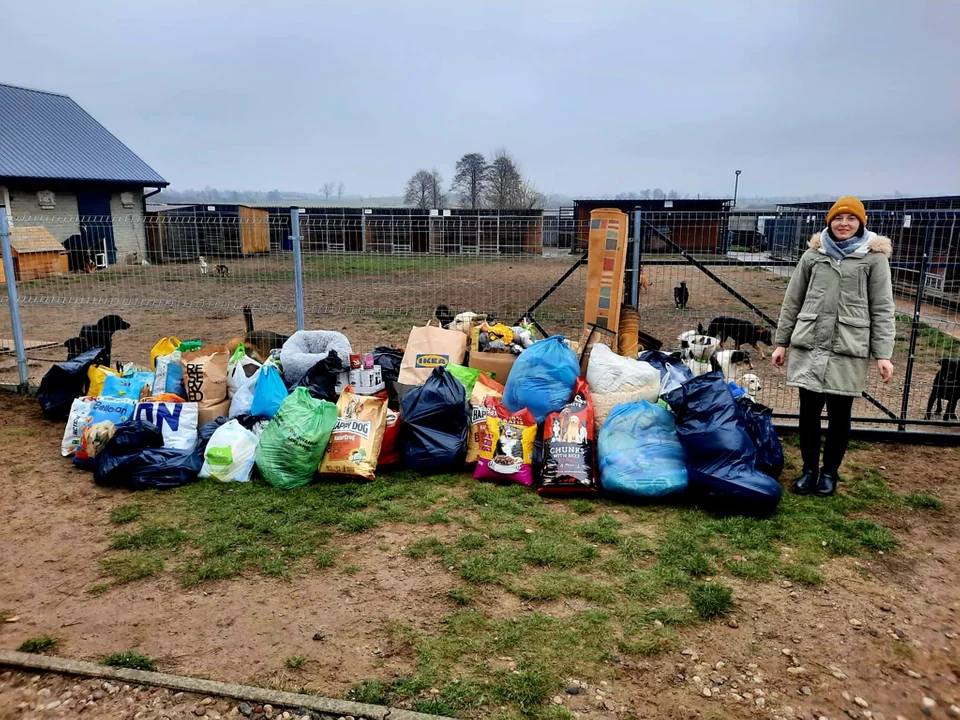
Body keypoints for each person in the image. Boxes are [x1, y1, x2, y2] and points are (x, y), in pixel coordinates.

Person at [771, 196, 895, 497]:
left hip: (848, 347)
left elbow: (882, 306)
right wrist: (781, 342)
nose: (844, 224)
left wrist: (883, 354)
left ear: (860, 223)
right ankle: (809, 470)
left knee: (840, 415)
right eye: (838, 218)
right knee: (809, 413)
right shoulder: (813, 256)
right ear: (830, 222)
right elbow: (793, 300)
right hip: (810, 343)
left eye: (851, 219)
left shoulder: (873, 259)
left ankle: (829, 474)